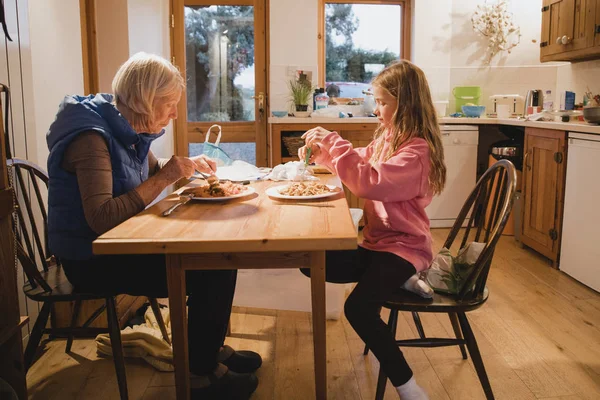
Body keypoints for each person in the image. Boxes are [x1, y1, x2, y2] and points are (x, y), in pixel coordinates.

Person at [46, 52, 260, 399]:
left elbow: (147, 167)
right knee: (212, 268)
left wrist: (184, 165)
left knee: (222, 257)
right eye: (169, 104)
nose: (175, 113)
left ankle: (204, 351)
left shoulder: (123, 127)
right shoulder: (92, 140)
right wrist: (167, 176)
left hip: (120, 244)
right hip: (88, 260)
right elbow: (100, 218)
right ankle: (199, 376)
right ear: (144, 100)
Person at [298, 60, 446, 400]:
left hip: (406, 247)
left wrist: (334, 141)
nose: (376, 109)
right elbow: (362, 161)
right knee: (310, 260)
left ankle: (409, 387)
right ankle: (402, 281)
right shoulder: (389, 138)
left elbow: (369, 181)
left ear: (404, 104)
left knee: (358, 309)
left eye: (381, 102)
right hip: (378, 243)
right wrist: (323, 154)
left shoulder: (417, 151)